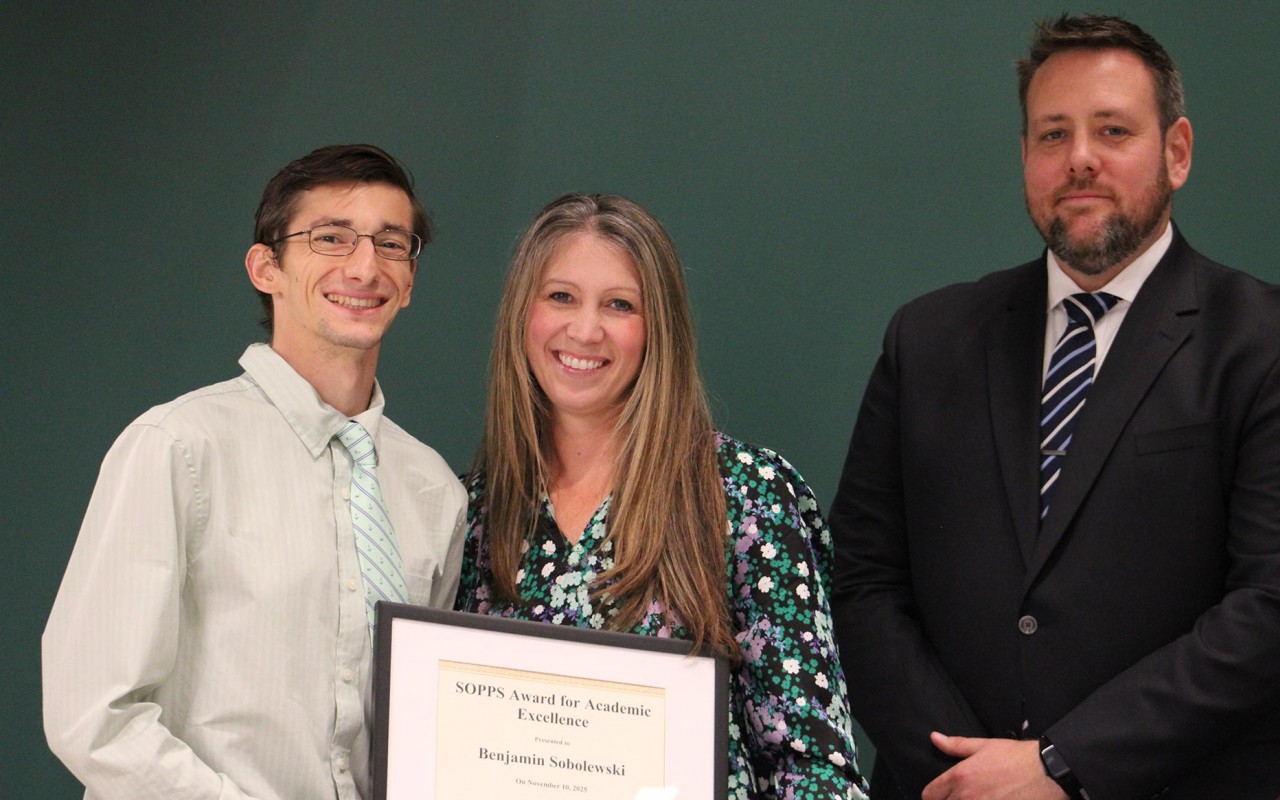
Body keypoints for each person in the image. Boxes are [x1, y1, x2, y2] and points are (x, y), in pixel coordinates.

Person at [829, 14, 1280, 800]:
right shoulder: (928, 338)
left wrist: (1059, 765)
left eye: (1111, 130)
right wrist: (965, 772)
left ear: (1175, 151)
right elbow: (862, 583)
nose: (1078, 159)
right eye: (1052, 135)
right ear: (1024, 158)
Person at [42, 144, 467, 799]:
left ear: (409, 279)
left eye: (391, 244)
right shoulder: (179, 447)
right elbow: (93, 715)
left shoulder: (432, 491)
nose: (364, 266)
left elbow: (418, 728)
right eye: (331, 238)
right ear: (265, 267)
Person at [454, 193, 869, 799]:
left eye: (619, 304)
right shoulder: (474, 513)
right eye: (560, 296)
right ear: (523, 312)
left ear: (658, 329)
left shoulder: (745, 497)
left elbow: (817, 773)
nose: (585, 329)